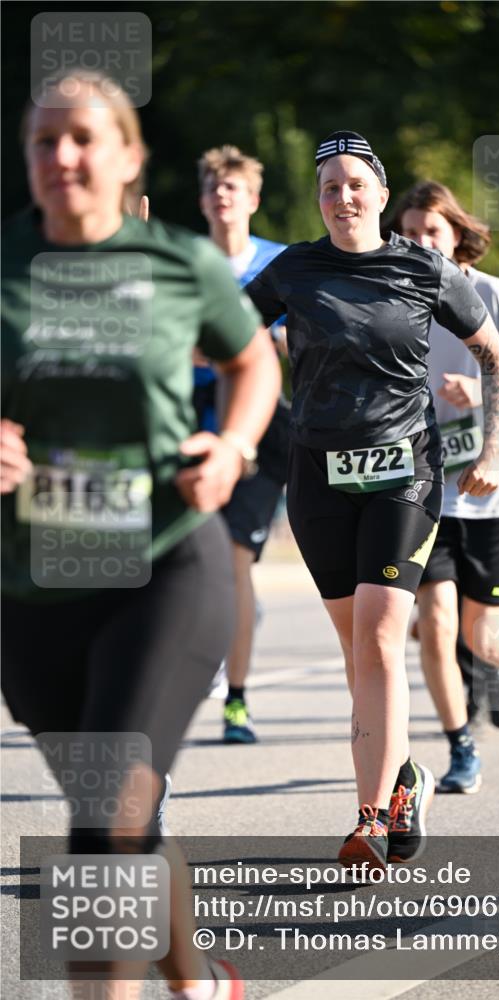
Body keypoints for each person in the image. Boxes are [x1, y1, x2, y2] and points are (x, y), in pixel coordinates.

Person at [1, 71, 280, 1000]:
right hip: (32, 578)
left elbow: (252, 361)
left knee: (104, 819)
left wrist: (233, 447)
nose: (62, 156)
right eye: (43, 140)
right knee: (121, 813)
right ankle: (198, 982)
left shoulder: (179, 263)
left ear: (128, 157)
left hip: (165, 563)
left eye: (83, 137)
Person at [243, 131, 499, 870]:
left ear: (381, 195)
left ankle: (371, 820)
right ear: (318, 199)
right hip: (317, 475)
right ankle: (405, 776)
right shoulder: (293, 269)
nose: (343, 198)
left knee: (380, 639)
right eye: (329, 187)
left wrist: (493, 448)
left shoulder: (422, 268)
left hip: (405, 472)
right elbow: (218, 340)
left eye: (355, 184)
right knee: (358, 650)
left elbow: (493, 355)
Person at [391, 180, 499, 794]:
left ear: (456, 235)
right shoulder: (395, 302)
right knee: (435, 624)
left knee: (479, 634)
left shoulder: (491, 294)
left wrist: (484, 389)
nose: (421, 243)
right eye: (409, 233)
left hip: (494, 488)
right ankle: (461, 747)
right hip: (427, 486)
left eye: (432, 232)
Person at [196, 144, 290, 744]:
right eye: (213, 188)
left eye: (232, 187)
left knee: (233, 561)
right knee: (192, 561)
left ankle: (236, 701)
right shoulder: (187, 261)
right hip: (193, 423)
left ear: (253, 199)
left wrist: (255, 346)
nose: (221, 196)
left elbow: (295, 342)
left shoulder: (280, 263)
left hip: (260, 429)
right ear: (202, 200)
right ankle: (224, 621)